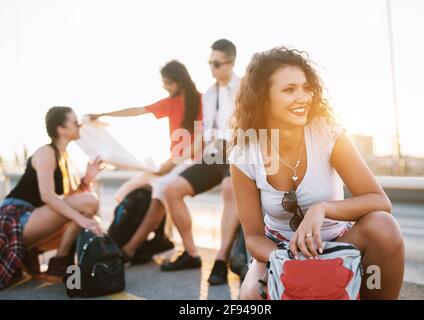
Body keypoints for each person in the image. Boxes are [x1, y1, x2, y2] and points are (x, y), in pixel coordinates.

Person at [229, 47, 405, 299]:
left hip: (338, 242)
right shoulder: (243, 154)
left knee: (384, 227)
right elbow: (254, 237)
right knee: (250, 297)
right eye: (289, 90)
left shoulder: (327, 133)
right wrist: (285, 260)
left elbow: (379, 202)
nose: (302, 97)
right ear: (263, 97)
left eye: (305, 87)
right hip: (280, 249)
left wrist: (321, 209)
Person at [89, 60, 203, 261]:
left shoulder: (202, 101)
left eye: (167, 83)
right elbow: (137, 110)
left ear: (179, 80)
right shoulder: (170, 103)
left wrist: (171, 164)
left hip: (193, 162)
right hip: (171, 162)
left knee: (160, 190)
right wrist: (102, 114)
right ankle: (149, 238)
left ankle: (130, 249)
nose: (165, 88)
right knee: (128, 188)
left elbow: (202, 140)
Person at [162, 39, 241, 286]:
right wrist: (176, 160)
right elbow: (204, 135)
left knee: (230, 189)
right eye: (210, 62)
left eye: (217, 64)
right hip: (214, 153)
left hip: (239, 150)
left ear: (231, 62)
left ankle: (220, 259)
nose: (212, 68)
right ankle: (191, 254)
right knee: (172, 189)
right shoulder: (208, 94)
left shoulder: (245, 88)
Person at [0, 106, 103, 287]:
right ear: (61, 129)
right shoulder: (46, 152)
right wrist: (81, 219)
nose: (80, 126)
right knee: (88, 205)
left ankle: (32, 253)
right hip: (14, 217)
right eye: (76, 123)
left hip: (33, 216)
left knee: (87, 211)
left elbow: (69, 199)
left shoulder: (65, 157)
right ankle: (59, 264)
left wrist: (87, 178)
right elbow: (47, 196)